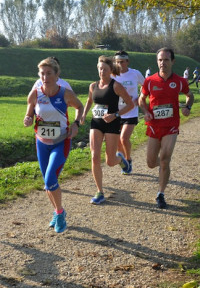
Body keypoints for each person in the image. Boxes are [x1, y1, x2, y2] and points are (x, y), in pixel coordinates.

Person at [23, 57, 83, 233]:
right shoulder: (35, 93)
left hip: (60, 142)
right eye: (42, 73)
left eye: (49, 73)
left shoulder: (65, 93)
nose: (45, 77)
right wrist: (27, 119)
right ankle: (58, 212)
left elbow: (79, 107)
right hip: (41, 142)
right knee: (48, 182)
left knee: (50, 179)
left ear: (57, 75)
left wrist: (76, 124)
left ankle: (59, 212)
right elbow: (29, 113)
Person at [139, 48, 194, 209]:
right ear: (157, 62)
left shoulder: (179, 81)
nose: (163, 63)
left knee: (164, 158)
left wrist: (188, 107)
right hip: (154, 126)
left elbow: (190, 95)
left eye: (166, 60)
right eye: (160, 60)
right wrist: (145, 111)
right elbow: (141, 99)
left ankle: (160, 194)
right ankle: (164, 168)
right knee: (150, 162)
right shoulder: (149, 81)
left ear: (172, 61)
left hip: (171, 125)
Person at [82, 55, 134, 204]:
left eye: (104, 69)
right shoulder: (93, 86)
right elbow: (89, 101)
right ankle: (99, 191)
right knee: (94, 156)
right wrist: (83, 115)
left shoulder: (116, 86)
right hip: (96, 124)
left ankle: (121, 160)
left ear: (111, 70)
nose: (101, 71)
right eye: (99, 69)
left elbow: (130, 104)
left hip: (112, 124)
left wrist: (115, 115)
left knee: (110, 161)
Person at [112, 50, 145, 174]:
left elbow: (146, 86)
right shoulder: (112, 74)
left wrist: (139, 98)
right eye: (116, 62)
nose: (119, 64)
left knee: (124, 138)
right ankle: (123, 162)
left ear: (127, 62)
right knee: (118, 141)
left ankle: (128, 159)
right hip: (117, 111)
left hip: (131, 110)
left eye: (121, 62)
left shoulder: (135, 73)